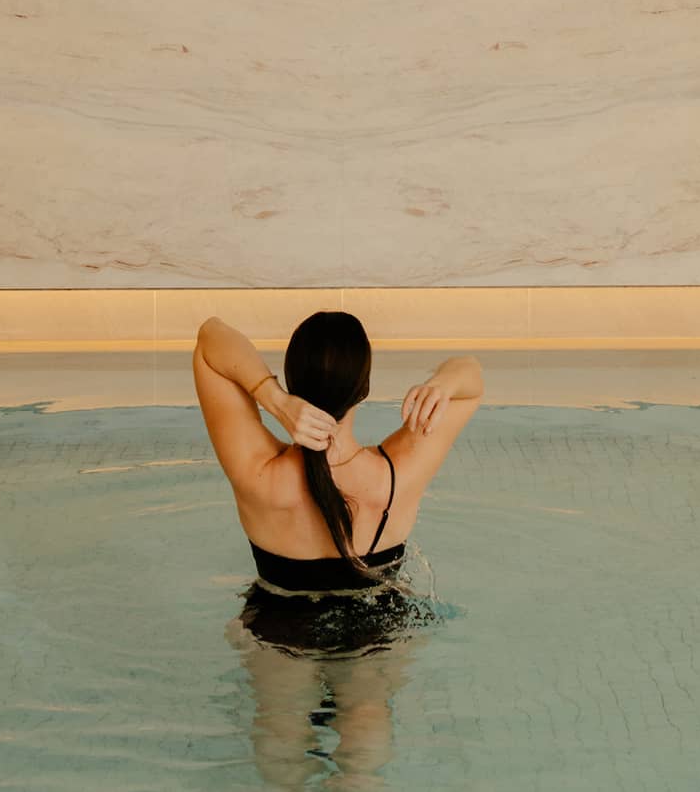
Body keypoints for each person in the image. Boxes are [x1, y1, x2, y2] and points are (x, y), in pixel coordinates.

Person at [194, 311, 483, 786]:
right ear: (363, 389)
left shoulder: (258, 474)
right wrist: (440, 384)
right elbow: (472, 378)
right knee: (366, 742)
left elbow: (210, 339)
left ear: (293, 382)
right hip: (376, 633)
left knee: (281, 742)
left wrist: (273, 399)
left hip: (278, 631)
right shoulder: (396, 475)